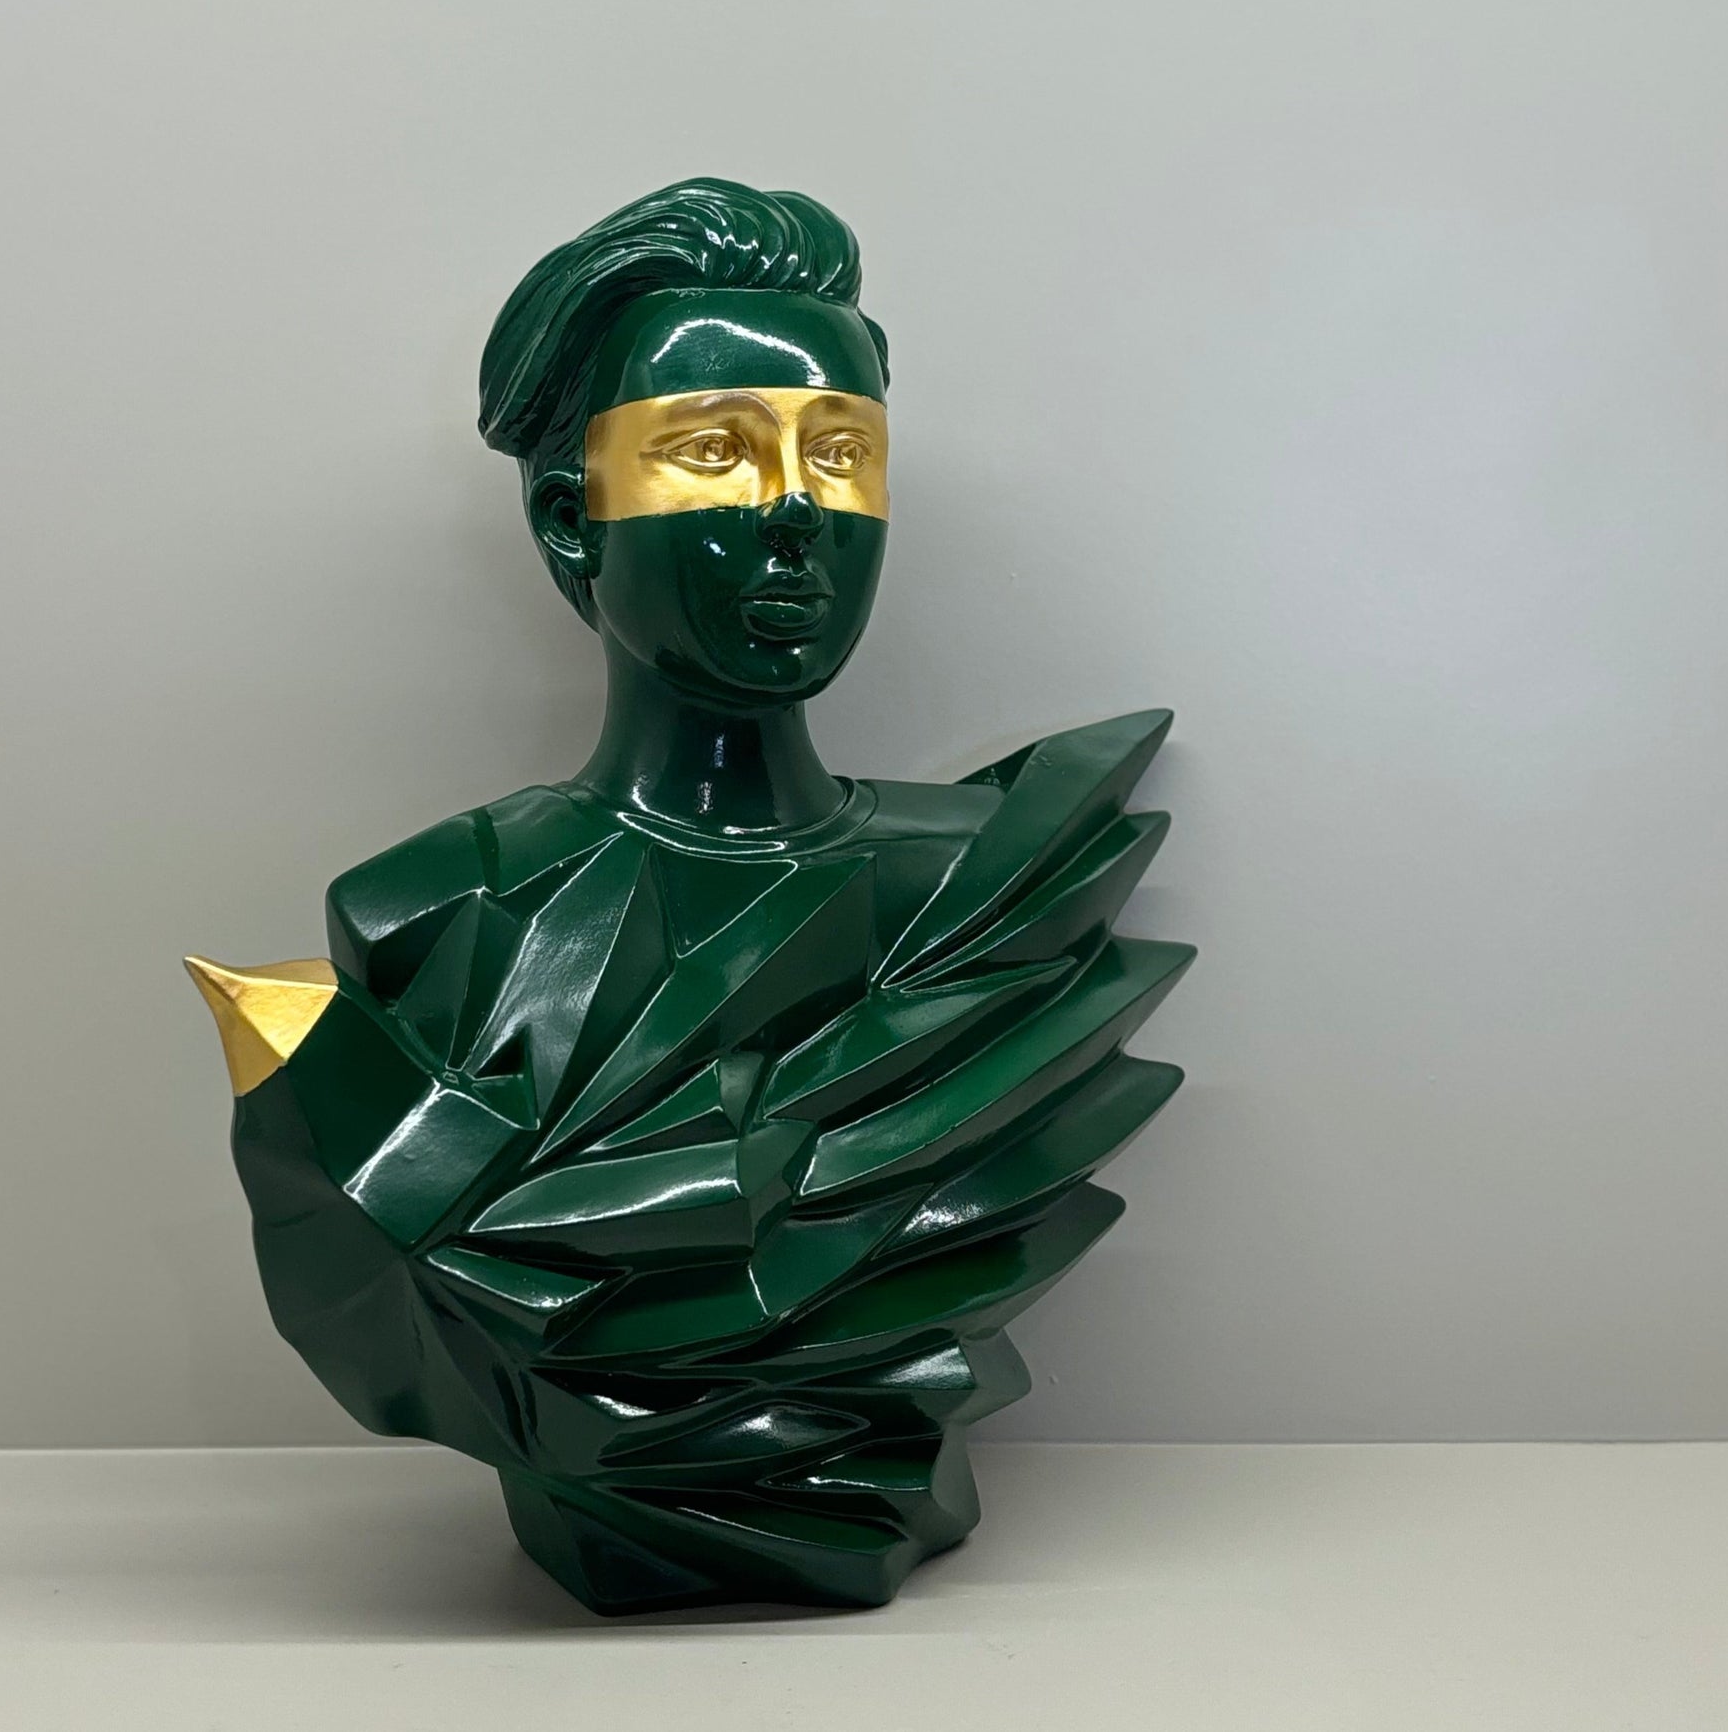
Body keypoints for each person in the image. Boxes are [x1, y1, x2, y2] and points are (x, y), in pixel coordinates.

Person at [188, 179, 1193, 1614]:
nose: (794, 511)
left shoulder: (975, 880)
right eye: (713, 452)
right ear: (570, 520)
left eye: (840, 453)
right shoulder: (445, 910)